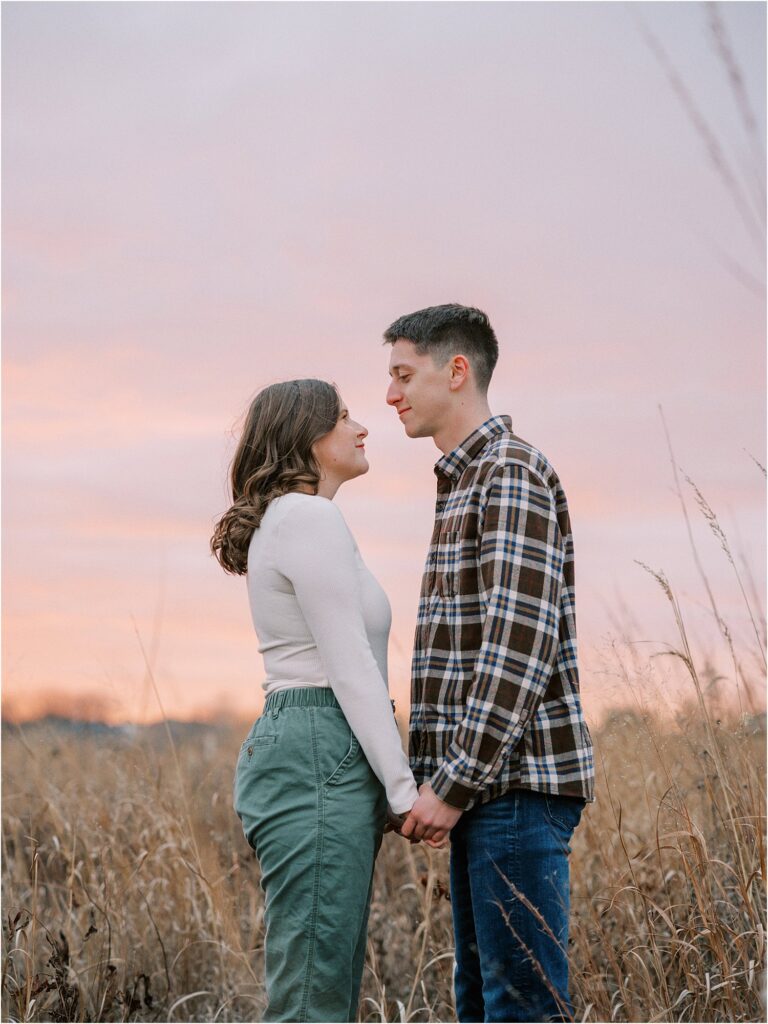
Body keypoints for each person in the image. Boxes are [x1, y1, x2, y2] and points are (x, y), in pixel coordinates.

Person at [384, 305, 595, 1023]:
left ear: (457, 370)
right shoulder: (465, 482)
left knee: (520, 1010)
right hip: (488, 793)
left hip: (514, 788)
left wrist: (453, 783)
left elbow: (517, 647)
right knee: (481, 1006)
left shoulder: (509, 474)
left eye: (403, 374)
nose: (391, 395)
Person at [210, 379, 436, 1024]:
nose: (362, 426)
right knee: (313, 999)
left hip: (317, 745)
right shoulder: (307, 517)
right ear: (306, 437)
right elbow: (350, 666)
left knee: (320, 984)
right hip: (317, 744)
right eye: (342, 417)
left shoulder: (295, 521)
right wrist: (401, 789)